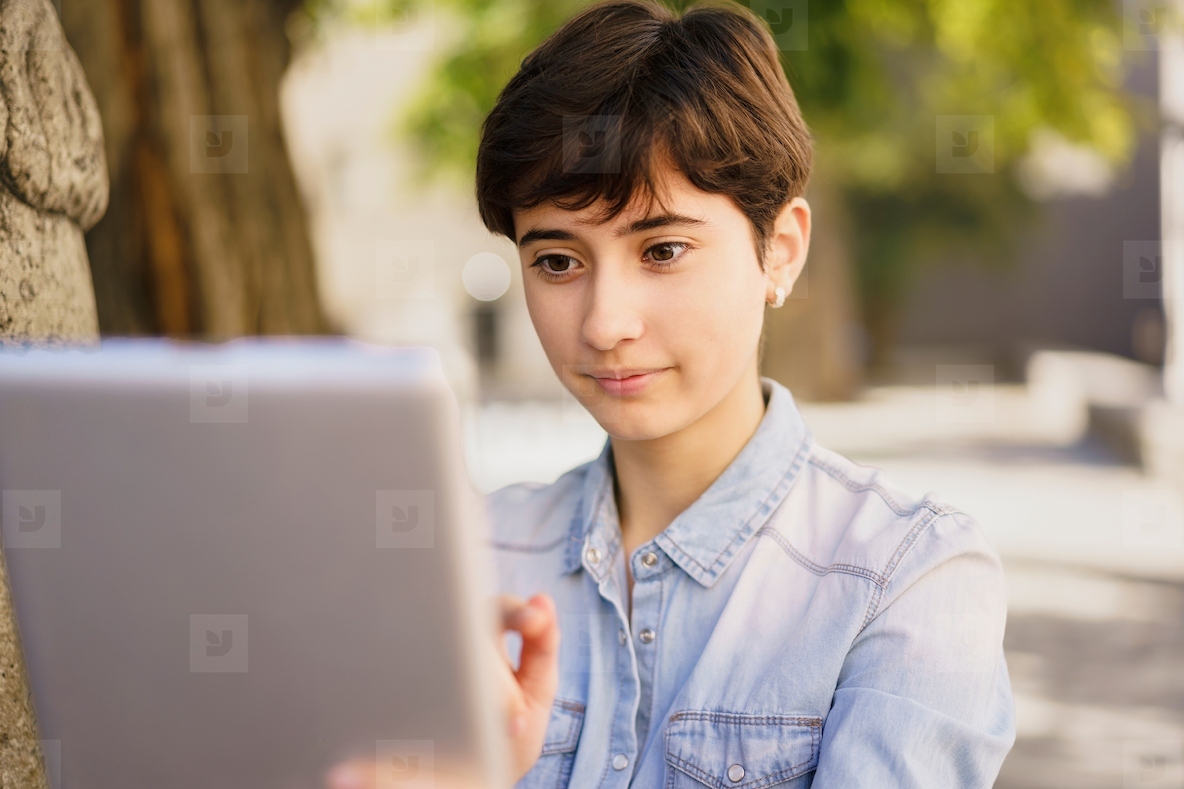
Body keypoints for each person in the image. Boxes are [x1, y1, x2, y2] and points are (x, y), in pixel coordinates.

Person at [328, 0, 1016, 786]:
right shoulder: (460, 561)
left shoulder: (907, 578)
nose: (605, 323)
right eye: (557, 261)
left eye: (662, 249)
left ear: (780, 252)